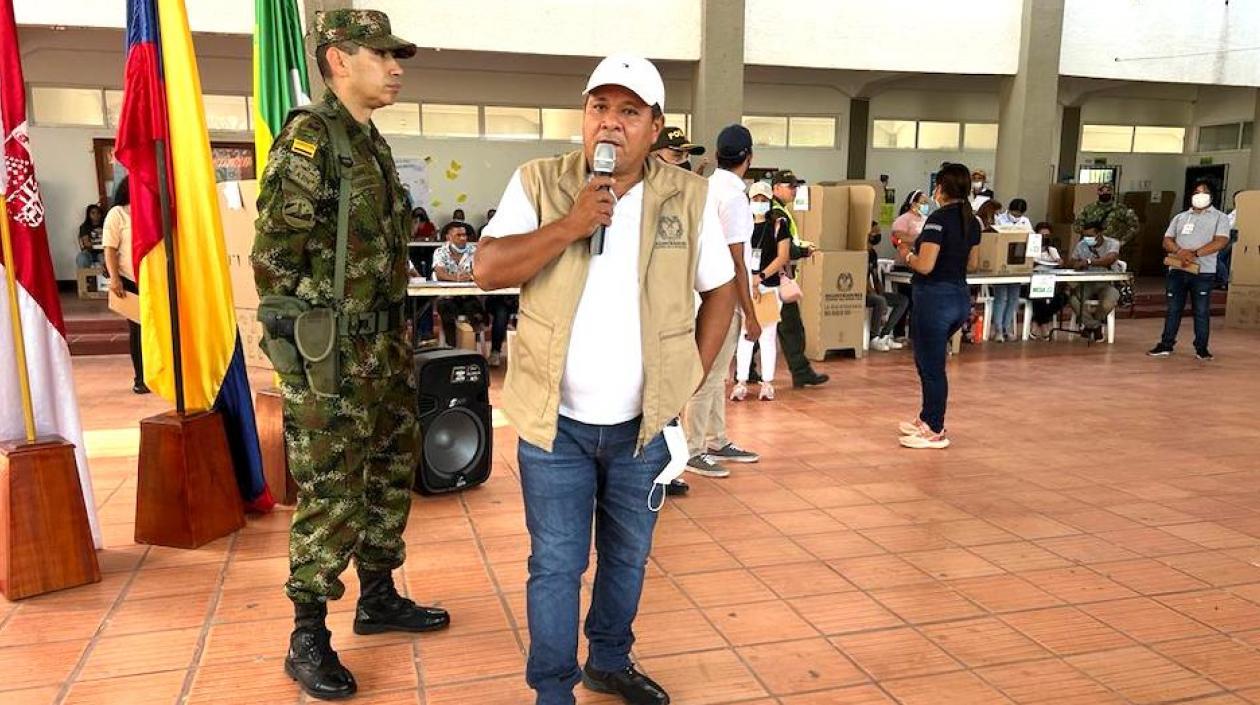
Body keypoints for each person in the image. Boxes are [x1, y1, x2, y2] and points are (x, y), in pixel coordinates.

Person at [473, 54, 736, 705]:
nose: (609, 124)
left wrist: (686, 383)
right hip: (552, 424)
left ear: (654, 127)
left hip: (642, 428)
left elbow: (721, 294)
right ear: (583, 118)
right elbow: (486, 268)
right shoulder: (539, 182)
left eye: (628, 111)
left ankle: (610, 661)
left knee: (627, 557)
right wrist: (572, 224)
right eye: (599, 108)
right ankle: (553, 689)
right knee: (557, 565)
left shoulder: (688, 196)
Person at [250, 11, 449, 701]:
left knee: (389, 470)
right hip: (334, 357)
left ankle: (378, 594)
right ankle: (307, 632)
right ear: (338, 58)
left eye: (400, 56)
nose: (396, 67)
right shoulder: (311, 140)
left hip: (387, 347)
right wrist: (314, 347)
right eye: (383, 54)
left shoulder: (371, 144)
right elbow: (274, 261)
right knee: (331, 489)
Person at [681, 124, 761, 479]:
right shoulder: (734, 197)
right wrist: (750, 312)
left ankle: (716, 439)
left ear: (716, 156)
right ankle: (693, 448)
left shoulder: (707, 186)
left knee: (714, 374)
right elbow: (737, 260)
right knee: (710, 375)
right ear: (749, 158)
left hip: (699, 291)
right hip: (721, 296)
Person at [894, 163, 981, 450]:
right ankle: (926, 416)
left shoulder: (937, 221)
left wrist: (906, 254)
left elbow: (926, 265)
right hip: (959, 295)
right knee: (929, 361)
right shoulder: (972, 221)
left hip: (934, 298)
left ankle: (934, 428)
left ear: (940, 188)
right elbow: (973, 263)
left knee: (931, 367)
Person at [1148, 180, 1231, 360]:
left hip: (1203, 271)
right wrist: (1180, 251)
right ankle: (1166, 344)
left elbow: (1221, 241)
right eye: (1196, 192)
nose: (1199, 195)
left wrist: (1195, 253)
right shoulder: (1181, 217)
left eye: (1204, 192)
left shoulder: (1220, 217)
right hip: (1177, 269)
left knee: (1201, 310)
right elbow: (1167, 239)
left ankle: (1201, 348)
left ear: (1211, 196)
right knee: (1173, 309)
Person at [769, 169, 829, 388]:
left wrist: (800, 246)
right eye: (790, 186)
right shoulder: (778, 213)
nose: (794, 191)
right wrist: (803, 251)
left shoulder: (777, 210)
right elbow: (784, 248)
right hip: (776, 277)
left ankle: (748, 371)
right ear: (776, 188)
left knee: (770, 325)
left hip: (770, 277)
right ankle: (801, 372)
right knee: (791, 327)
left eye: (795, 187)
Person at [734, 181, 791, 401]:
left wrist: (761, 277)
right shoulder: (742, 224)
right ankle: (741, 381)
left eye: (763, 200)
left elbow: (782, 256)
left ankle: (767, 382)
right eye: (755, 199)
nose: (758, 203)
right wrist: (749, 281)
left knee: (767, 335)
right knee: (745, 335)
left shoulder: (778, 223)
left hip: (769, 287)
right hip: (745, 287)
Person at [102, 178, 147, 395]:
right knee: (138, 331)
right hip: (129, 280)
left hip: (154, 281)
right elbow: (109, 249)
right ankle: (141, 378)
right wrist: (115, 278)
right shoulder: (117, 214)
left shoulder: (150, 212)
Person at [432, 221, 489, 347]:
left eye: (464, 235)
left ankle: (475, 346)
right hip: (447, 297)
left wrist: (471, 276)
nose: (463, 238)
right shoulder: (440, 252)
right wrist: (457, 278)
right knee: (446, 310)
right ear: (448, 237)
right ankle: (452, 348)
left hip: (468, 296)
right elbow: (440, 273)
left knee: (474, 308)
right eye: (459, 235)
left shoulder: (474, 251)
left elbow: (481, 270)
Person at [1066, 221, 1121, 342]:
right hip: (1087, 282)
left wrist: (1089, 262)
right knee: (1072, 298)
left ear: (1100, 233)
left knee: (1108, 303)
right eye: (1085, 236)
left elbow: (1110, 259)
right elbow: (1071, 262)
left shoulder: (1113, 243)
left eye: (1090, 236)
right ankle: (1095, 326)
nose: (1087, 238)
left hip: (1107, 283)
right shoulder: (1081, 245)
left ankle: (1089, 325)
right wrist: (1076, 264)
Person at [866, 221, 908, 351]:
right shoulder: (862, 253)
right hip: (863, 293)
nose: (878, 234)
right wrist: (873, 293)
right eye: (875, 232)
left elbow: (875, 277)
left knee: (903, 300)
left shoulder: (873, 254)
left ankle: (885, 334)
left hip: (873, 291)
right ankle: (873, 337)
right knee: (880, 301)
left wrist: (881, 291)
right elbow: (862, 278)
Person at [1074, 183, 1138, 255]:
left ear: (1113, 193)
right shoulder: (1089, 209)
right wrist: (1087, 234)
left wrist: (1122, 242)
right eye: (1101, 190)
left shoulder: (1121, 209)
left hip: (1111, 248)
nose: (1105, 192)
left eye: (1108, 190)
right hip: (1091, 248)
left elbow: (1134, 226)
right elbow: (1076, 226)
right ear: (1098, 192)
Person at [1029, 221, 1066, 339]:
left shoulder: (1052, 250)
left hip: (1051, 281)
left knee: (1062, 298)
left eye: (1047, 236)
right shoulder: (1031, 248)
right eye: (1042, 235)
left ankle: (1037, 321)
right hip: (1032, 282)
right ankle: (1044, 325)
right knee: (1039, 295)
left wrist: (1059, 262)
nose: (1044, 238)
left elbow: (1060, 262)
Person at [1217, 190, 1241, 290]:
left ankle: (1225, 280)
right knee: (1220, 258)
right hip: (1226, 234)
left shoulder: (1242, 211)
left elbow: (1231, 225)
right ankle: (1223, 281)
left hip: (1233, 234)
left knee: (1216, 258)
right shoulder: (1234, 211)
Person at [76, 204, 104, 268]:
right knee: (81, 258)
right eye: (93, 213)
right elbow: (87, 244)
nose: (96, 215)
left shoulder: (106, 225)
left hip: (104, 252)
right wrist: (98, 244)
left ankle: (108, 276)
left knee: (105, 257)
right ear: (88, 215)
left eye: (98, 213)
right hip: (90, 252)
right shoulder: (84, 227)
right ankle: (87, 277)